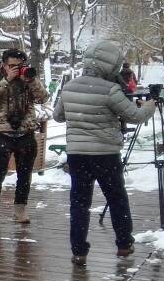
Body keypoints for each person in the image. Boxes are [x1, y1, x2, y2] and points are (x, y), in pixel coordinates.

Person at [53, 40, 156, 266]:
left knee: (79, 202)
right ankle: (123, 244)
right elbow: (134, 116)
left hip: (77, 154)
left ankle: (78, 250)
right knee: (116, 198)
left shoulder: (69, 87)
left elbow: (58, 116)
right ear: (111, 65)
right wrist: (149, 105)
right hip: (106, 154)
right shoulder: (110, 89)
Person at [0, 49, 48, 226]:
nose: (16, 69)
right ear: (4, 65)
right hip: (2, 133)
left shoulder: (29, 78)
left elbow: (43, 98)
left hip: (26, 132)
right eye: (12, 66)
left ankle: (20, 210)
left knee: (25, 175)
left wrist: (31, 80)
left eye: (19, 66)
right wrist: (7, 80)